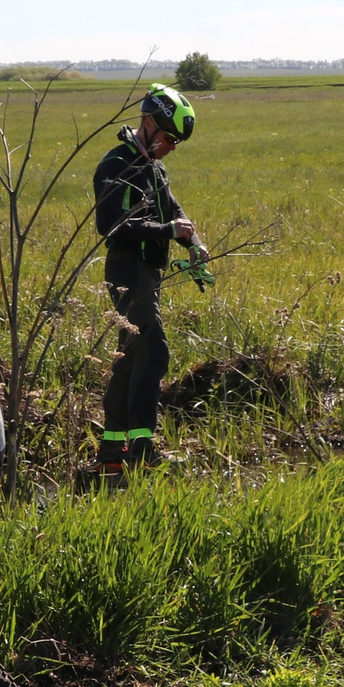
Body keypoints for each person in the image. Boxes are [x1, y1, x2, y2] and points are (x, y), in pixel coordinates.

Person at [92, 83, 204, 479]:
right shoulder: (116, 164)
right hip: (127, 270)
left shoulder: (154, 167)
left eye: (177, 142)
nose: (172, 146)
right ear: (148, 123)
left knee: (129, 360)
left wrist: (194, 243)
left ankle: (112, 452)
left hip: (147, 273)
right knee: (154, 352)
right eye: (169, 138)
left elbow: (176, 213)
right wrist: (168, 231)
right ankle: (142, 449)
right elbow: (110, 226)